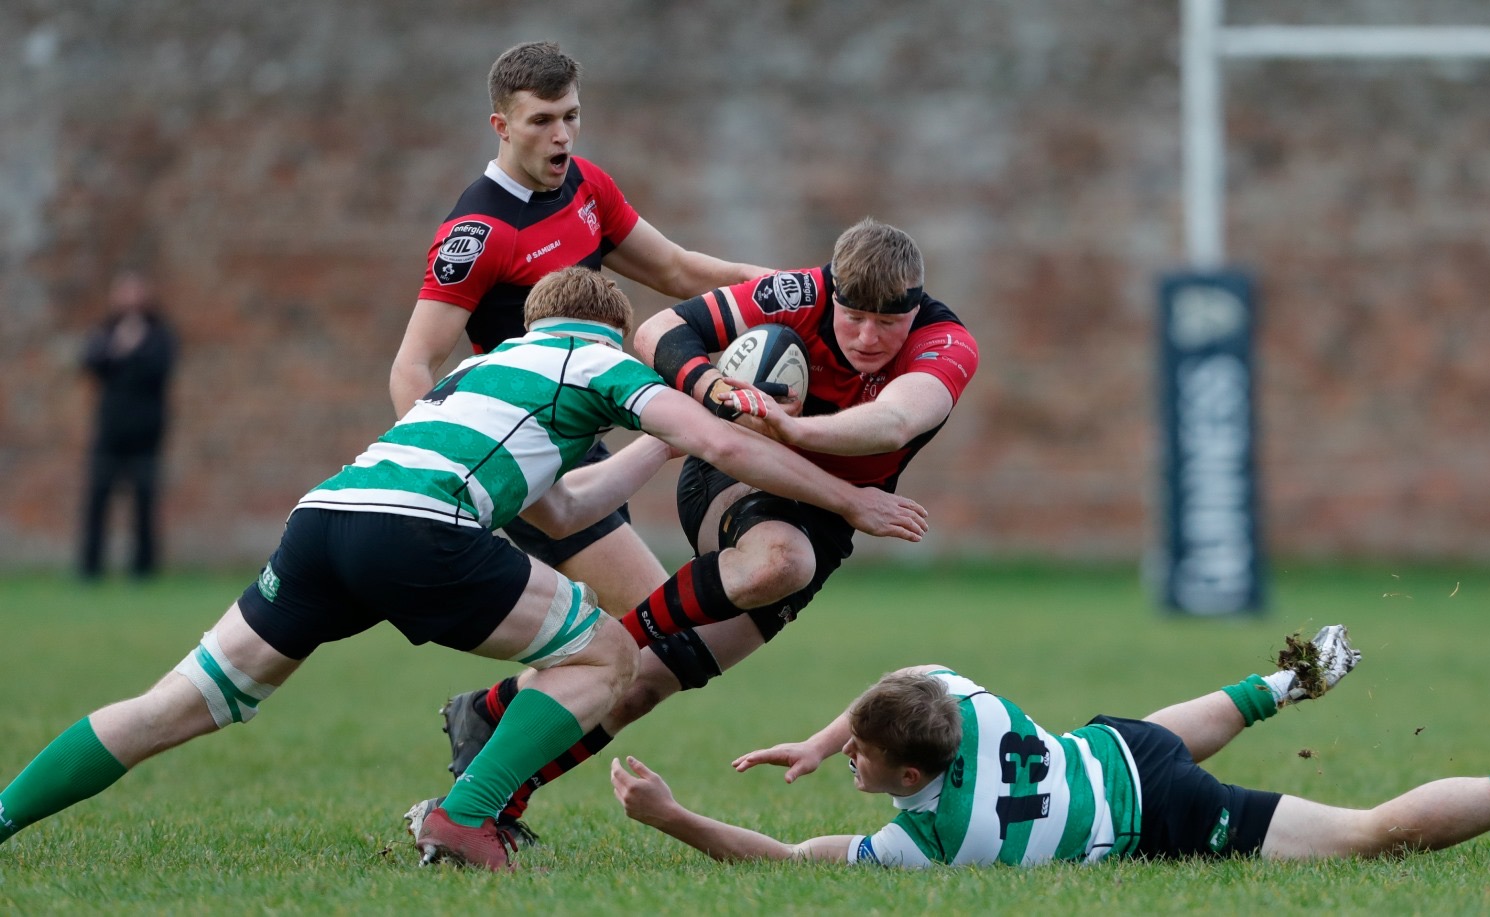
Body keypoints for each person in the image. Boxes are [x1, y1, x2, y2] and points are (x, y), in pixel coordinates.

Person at [0, 267, 928, 872]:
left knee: (174, 704)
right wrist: (848, 501)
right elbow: (716, 439)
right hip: (417, 532)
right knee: (607, 654)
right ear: (611, 330)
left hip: (323, 521)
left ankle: (4, 814)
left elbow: (561, 510)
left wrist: (653, 446)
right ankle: (466, 815)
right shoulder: (598, 359)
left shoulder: (483, 374)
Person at [411, 216, 980, 843]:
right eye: (854, 317)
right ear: (833, 292)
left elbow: (895, 421)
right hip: (736, 473)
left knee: (645, 683)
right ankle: (604, 643)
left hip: (823, 520)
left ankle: (491, 774)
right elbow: (658, 330)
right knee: (779, 563)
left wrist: (792, 428)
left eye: (887, 323)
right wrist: (711, 388)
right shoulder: (799, 292)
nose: (868, 337)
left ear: (914, 308)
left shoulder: (945, 341)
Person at [611, 625, 1490, 866]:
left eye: (856, 754)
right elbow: (907, 674)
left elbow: (785, 859)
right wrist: (824, 736)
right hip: (1115, 745)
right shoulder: (968, 701)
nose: (847, 759)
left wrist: (670, 815)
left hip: (1157, 810)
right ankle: (1287, 679)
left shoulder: (932, 842)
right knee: (1152, 733)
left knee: (1366, 835)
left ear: (911, 775)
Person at [388, 40, 770, 626]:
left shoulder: (585, 185)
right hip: (523, 451)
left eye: (570, 116)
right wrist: (456, 473)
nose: (562, 136)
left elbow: (676, 269)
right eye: (541, 121)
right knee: (657, 623)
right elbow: (412, 365)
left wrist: (787, 288)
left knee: (617, 637)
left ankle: (510, 693)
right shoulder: (479, 231)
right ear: (501, 126)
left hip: (581, 443)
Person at [78, 270, 179, 580]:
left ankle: (143, 568)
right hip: (110, 430)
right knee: (98, 498)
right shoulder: (106, 332)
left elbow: (162, 368)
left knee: (144, 501)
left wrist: (137, 348)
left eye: (136, 291)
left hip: (146, 432)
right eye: (124, 291)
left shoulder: (159, 334)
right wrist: (119, 347)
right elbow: (89, 363)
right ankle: (90, 568)